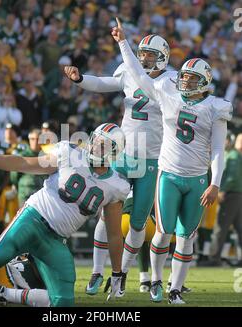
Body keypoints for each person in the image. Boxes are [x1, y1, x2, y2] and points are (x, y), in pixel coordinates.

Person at [0, 123, 130, 307]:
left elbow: (113, 234)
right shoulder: (69, 152)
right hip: (33, 217)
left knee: (64, 302)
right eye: (96, 140)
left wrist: (116, 272)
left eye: (103, 144)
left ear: (114, 152)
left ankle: (3, 293)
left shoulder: (116, 185)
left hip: (56, 240)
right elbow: (25, 163)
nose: (96, 146)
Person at [112, 18, 232, 304]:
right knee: (163, 232)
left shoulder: (215, 108)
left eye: (191, 79)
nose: (184, 81)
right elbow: (140, 77)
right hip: (169, 173)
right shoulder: (168, 93)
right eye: (185, 77)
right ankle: (154, 280)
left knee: (186, 236)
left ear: (204, 83)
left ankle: (175, 289)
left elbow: (218, 149)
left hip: (197, 178)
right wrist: (123, 43)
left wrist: (215, 183)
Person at [65, 33, 174, 296]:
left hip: (152, 158)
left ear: (163, 57)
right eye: (143, 52)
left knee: (138, 222)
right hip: (124, 155)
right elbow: (104, 83)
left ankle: (122, 273)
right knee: (107, 211)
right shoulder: (128, 69)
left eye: (150, 54)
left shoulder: (170, 80)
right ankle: (96, 271)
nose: (144, 57)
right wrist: (80, 80)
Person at [209, 132, 242, 266]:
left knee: (220, 227)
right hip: (238, 195)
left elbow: (231, 178)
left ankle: (214, 259)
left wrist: (222, 190)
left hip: (230, 195)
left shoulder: (233, 156)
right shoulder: (236, 156)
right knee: (240, 228)